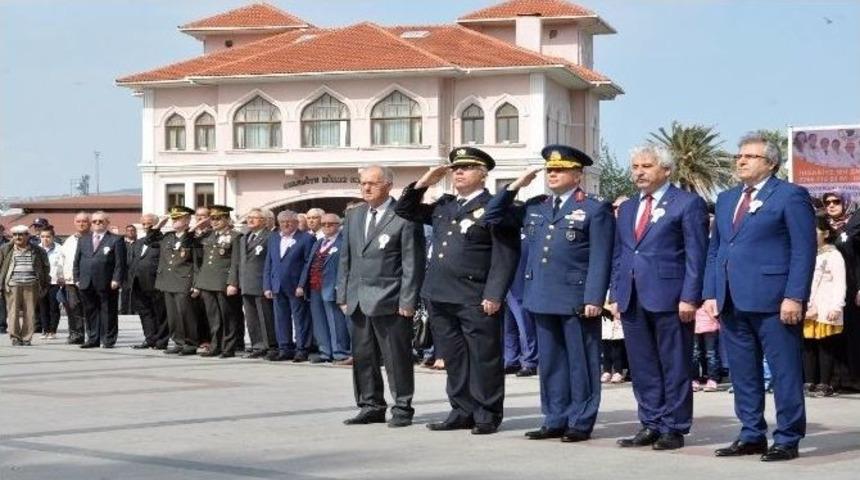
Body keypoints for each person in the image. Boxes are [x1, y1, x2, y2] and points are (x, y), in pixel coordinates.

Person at [484, 145, 613, 442]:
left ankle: (580, 421)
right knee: (551, 362)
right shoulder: (536, 205)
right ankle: (555, 417)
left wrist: (594, 298)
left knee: (581, 363)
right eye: (550, 170)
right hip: (542, 295)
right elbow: (491, 216)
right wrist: (515, 186)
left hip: (576, 298)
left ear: (577, 175)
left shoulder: (594, 207)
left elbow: (601, 256)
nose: (552, 174)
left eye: (560, 170)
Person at [704, 132, 816, 462]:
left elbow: (803, 250)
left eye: (749, 156)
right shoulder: (725, 199)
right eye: (739, 156)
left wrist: (795, 295)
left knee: (784, 372)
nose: (740, 160)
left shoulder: (790, 196)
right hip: (731, 300)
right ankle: (751, 433)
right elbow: (716, 250)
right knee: (743, 373)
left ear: (770, 163)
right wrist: (710, 292)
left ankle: (788, 436)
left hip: (774, 300)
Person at [396, 147, 518, 435]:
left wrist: (495, 293)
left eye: (467, 167)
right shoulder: (445, 205)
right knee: (454, 357)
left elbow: (505, 254)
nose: (458, 172)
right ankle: (461, 410)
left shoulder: (494, 207)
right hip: (440, 293)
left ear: (483, 174)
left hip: (475, 295)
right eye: (455, 168)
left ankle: (486, 413)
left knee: (483, 356)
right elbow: (404, 209)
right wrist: (425, 181)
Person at [610, 144, 709, 450]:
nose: (639, 172)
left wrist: (690, 297)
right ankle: (650, 422)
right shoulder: (627, 208)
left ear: (666, 170)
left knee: (674, 363)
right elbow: (620, 253)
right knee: (642, 365)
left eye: (646, 166)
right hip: (632, 296)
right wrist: (615, 292)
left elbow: (696, 254)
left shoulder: (687, 203)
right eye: (635, 167)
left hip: (670, 296)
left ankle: (674, 426)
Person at [338, 165, 425, 427]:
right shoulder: (354, 215)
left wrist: (408, 300)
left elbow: (413, 262)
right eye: (362, 183)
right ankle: (370, 405)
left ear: (388, 185)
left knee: (396, 358)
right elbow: (346, 258)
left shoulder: (404, 215)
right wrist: (343, 294)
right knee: (363, 357)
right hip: (358, 299)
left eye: (372, 183)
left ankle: (402, 407)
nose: (366, 188)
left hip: (391, 299)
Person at [263, 210, 315, 362]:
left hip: (295, 286)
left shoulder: (306, 238)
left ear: (296, 223)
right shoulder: (273, 238)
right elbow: (269, 262)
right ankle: (285, 348)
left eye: (289, 221)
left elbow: (308, 264)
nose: (285, 224)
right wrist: (267, 285)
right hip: (277, 285)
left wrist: (302, 285)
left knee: (300, 319)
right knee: (281, 319)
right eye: (283, 221)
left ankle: (302, 349)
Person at [803, 215, 846, 397]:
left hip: (826, 306)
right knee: (808, 346)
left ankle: (825, 383)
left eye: (815, 231)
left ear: (826, 233)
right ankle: (809, 381)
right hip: (807, 306)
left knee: (825, 346)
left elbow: (840, 282)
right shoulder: (806, 254)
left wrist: (837, 306)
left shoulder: (834, 255)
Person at [192, 205, 243, 358]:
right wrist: (199, 225)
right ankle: (215, 346)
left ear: (227, 219)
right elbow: (189, 241)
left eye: (218, 219)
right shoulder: (208, 236)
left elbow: (235, 262)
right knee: (213, 317)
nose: (214, 222)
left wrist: (233, 282)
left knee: (228, 316)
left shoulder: (235, 236)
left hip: (223, 282)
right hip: (207, 281)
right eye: (212, 219)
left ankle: (228, 347)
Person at [299, 213, 350, 364]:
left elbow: (346, 267)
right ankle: (325, 351)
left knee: (335, 321)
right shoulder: (319, 242)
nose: (327, 227)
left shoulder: (343, 242)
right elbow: (308, 264)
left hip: (332, 287)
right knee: (319, 321)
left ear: (339, 225)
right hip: (315, 287)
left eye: (331, 224)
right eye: (324, 224)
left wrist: (341, 286)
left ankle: (339, 352)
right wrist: (302, 284)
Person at [73, 211, 126, 348]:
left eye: (100, 221)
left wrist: (116, 279)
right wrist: (77, 278)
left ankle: (108, 339)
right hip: (86, 281)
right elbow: (77, 260)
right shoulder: (83, 239)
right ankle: (92, 338)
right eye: (94, 221)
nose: (97, 223)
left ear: (107, 223)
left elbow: (120, 262)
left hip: (107, 282)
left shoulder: (116, 239)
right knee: (90, 312)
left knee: (108, 311)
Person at [156, 206, 199, 355]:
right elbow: (150, 240)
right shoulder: (168, 237)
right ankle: (178, 342)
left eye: (177, 218)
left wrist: (195, 284)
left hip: (184, 280)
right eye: (173, 218)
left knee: (185, 313)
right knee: (173, 314)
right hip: (168, 280)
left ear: (187, 220)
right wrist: (159, 225)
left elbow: (196, 262)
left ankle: (190, 343)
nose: (174, 220)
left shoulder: (192, 237)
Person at [0, 225, 50, 345]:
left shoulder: (38, 250)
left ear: (27, 236)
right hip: (12, 284)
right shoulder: (5, 249)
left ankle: (27, 338)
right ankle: (15, 337)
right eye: (15, 235)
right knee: (13, 312)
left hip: (31, 284)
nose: (18, 237)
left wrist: (44, 283)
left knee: (30, 312)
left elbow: (46, 267)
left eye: (21, 234)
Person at [238, 208, 276, 358]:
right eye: (249, 217)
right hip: (246, 283)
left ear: (264, 221)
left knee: (265, 317)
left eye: (255, 217)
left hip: (261, 283)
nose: (250, 220)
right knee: (251, 318)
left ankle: (271, 346)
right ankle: (257, 346)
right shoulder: (244, 238)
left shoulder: (270, 237)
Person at [129, 213, 168, 349]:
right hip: (138, 283)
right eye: (144, 224)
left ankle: (161, 341)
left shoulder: (161, 240)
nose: (146, 227)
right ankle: (150, 338)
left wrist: (156, 228)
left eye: (149, 224)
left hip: (155, 283)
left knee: (160, 312)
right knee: (145, 313)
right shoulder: (139, 242)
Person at [503, 237, 538, 377]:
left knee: (524, 325)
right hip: (504, 282)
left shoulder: (527, 230)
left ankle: (529, 361)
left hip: (520, 281)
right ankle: (511, 359)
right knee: (508, 325)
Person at [60, 212, 90, 344]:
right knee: (73, 308)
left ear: (89, 223)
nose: (81, 224)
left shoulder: (94, 238)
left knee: (90, 308)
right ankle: (76, 334)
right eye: (78, 221)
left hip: (88, 280)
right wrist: (61, 276)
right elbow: (62, 260)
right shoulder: (70, 240)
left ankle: (92, 335)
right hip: (70, 281)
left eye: (84, 221)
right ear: (74, 223)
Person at [37, 226, 64, 340]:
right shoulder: (36, 249)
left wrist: (62, 278)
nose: (45, 239)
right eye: (42, 237)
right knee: (42, 307)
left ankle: (52, 330)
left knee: (53, 307)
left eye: (48, 236)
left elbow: (63, 265)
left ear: (53, 237)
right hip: (41, 282)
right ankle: (45, 329)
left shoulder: (60, 249)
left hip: (54, 281)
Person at [120, 224, 138, 315]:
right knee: (125, 291)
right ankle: (124, 311)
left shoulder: (139, 244)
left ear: (135, 232)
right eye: (128, 230)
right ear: (125, 232)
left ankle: (134, 310)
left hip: (136, 272)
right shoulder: (122, 244)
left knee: (135, 291)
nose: (130, 232)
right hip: (125, 272)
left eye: (132, 230)